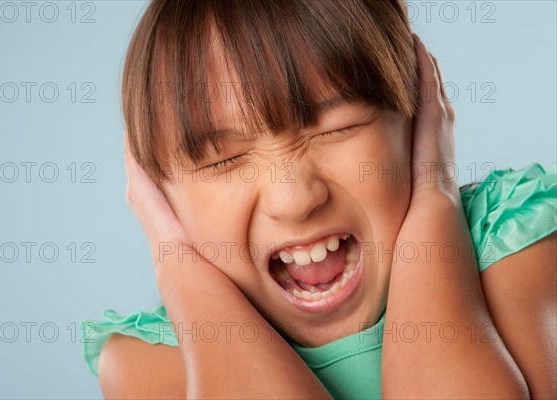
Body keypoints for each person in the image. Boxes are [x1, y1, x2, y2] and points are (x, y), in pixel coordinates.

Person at [81, 0, 557, 398]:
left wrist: (435, 202)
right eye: (222, 160)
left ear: (418, 118)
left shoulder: (515, 241)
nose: (294, 200)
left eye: (338, 127)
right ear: (158, 191)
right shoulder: (146, 360)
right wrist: (177, 266)